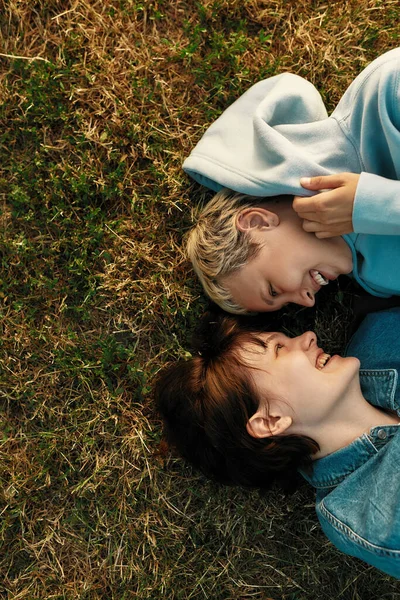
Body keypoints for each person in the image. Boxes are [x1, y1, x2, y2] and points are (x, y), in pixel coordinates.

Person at [155, 309, 400, 578]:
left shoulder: (381, 335)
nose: (308, 337)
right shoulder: (367, 516)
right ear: (271, 420)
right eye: (280, 349)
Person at [183, 48, 400, 314]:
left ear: (256, 222)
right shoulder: (377, 279)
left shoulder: (385, 99)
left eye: (273, 290)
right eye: (286, 303)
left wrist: (374, 205)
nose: (308, 300)